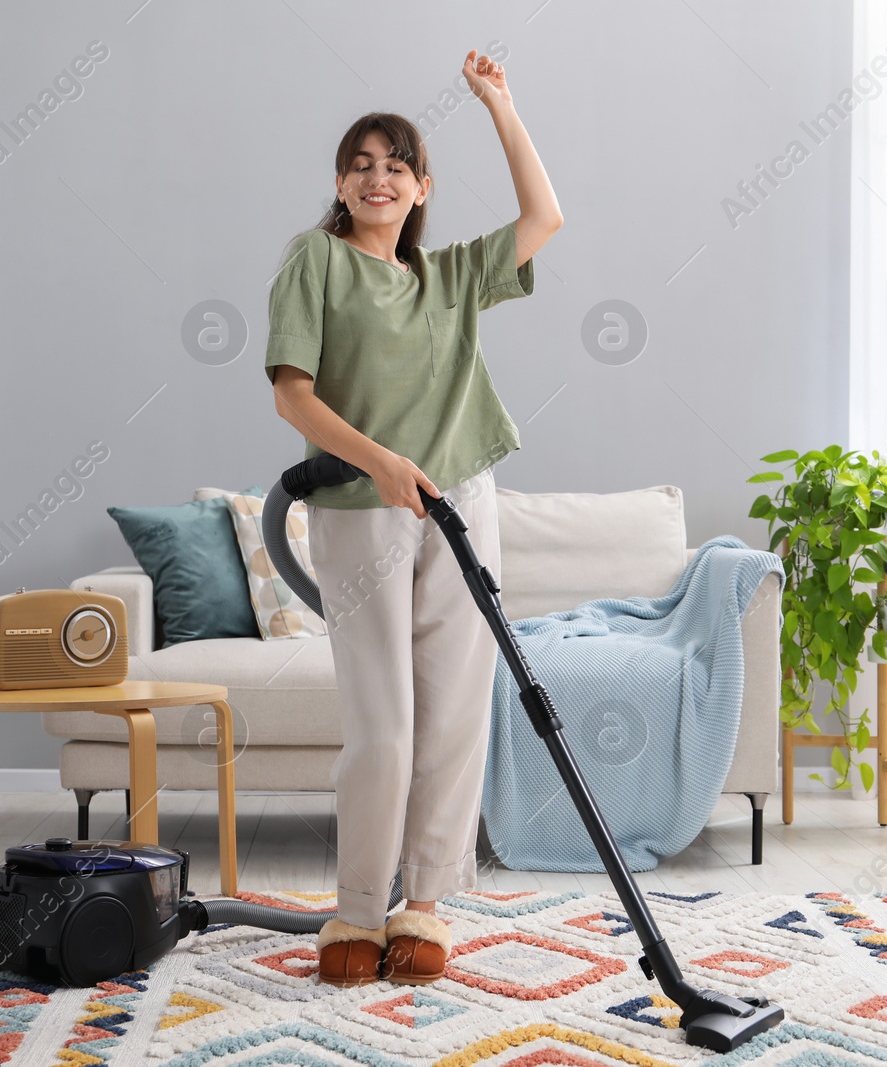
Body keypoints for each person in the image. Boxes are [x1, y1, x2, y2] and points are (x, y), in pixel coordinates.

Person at [265, 49, 563, 987]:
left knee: (452, 713)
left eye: (397, 163)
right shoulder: (314, 260)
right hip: (362, 504)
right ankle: (356, 907)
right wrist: (383, 462)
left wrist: (501, 106)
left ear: (421, 185)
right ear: (340, 184)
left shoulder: (451, 277)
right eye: (361, 161)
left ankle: (423, 904)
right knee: (383, 723)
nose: (378, 175)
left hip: (461, 501)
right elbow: (293, 396)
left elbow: (545, 217)